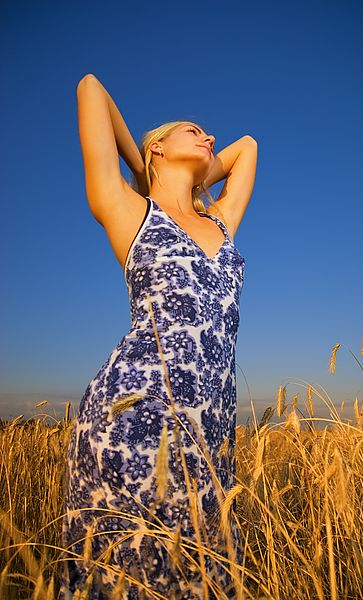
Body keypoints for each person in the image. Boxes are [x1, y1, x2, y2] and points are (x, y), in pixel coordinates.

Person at [59, 73, 258, 599]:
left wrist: (190, 170)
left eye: (208, 137)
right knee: (122, 580)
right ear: (157, 146)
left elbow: (248, 148)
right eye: (194, 130)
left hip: (210, 438)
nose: (210, 139)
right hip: (132, 422)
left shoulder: (221, 221)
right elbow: (91, 90)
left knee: (202, 580)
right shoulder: (130, 213)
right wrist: (143, 164)